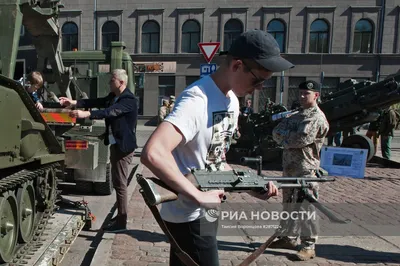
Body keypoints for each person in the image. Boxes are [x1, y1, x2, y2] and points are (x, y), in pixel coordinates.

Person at [140, 29, 294, 266]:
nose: (260, 88)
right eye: (257, 80)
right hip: (188, 213)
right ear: (236, 66)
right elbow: (153, 152)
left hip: (206, 208)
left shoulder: (231, 99)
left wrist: (252, 185)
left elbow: (215, 160)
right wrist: (198, 195)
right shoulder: (197, 100)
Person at [59, 69, 138, 232]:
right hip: (116, 144)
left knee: (120, 184)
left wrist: (86, 114)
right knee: (118, 183)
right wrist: (74, 102)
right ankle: (121, 216)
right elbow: (97, 102)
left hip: (124, 147)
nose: (109, 83)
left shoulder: (128, 100)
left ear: (121, 82)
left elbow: (109, 112)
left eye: (112, 80)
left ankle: (121, 222)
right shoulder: (113, 97)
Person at [271, 80, 329, 261]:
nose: (303, 96)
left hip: (306, 169)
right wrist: (287, 138)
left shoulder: (317, 117)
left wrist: (285, 139)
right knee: (288, 204)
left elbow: (301, 140)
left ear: (316, 95)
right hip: (289, 168)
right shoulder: (295, 114)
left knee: (306, 207)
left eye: (307, 93)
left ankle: (308, 246)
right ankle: (288, 238)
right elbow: (275, 132)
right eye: (301, 93)